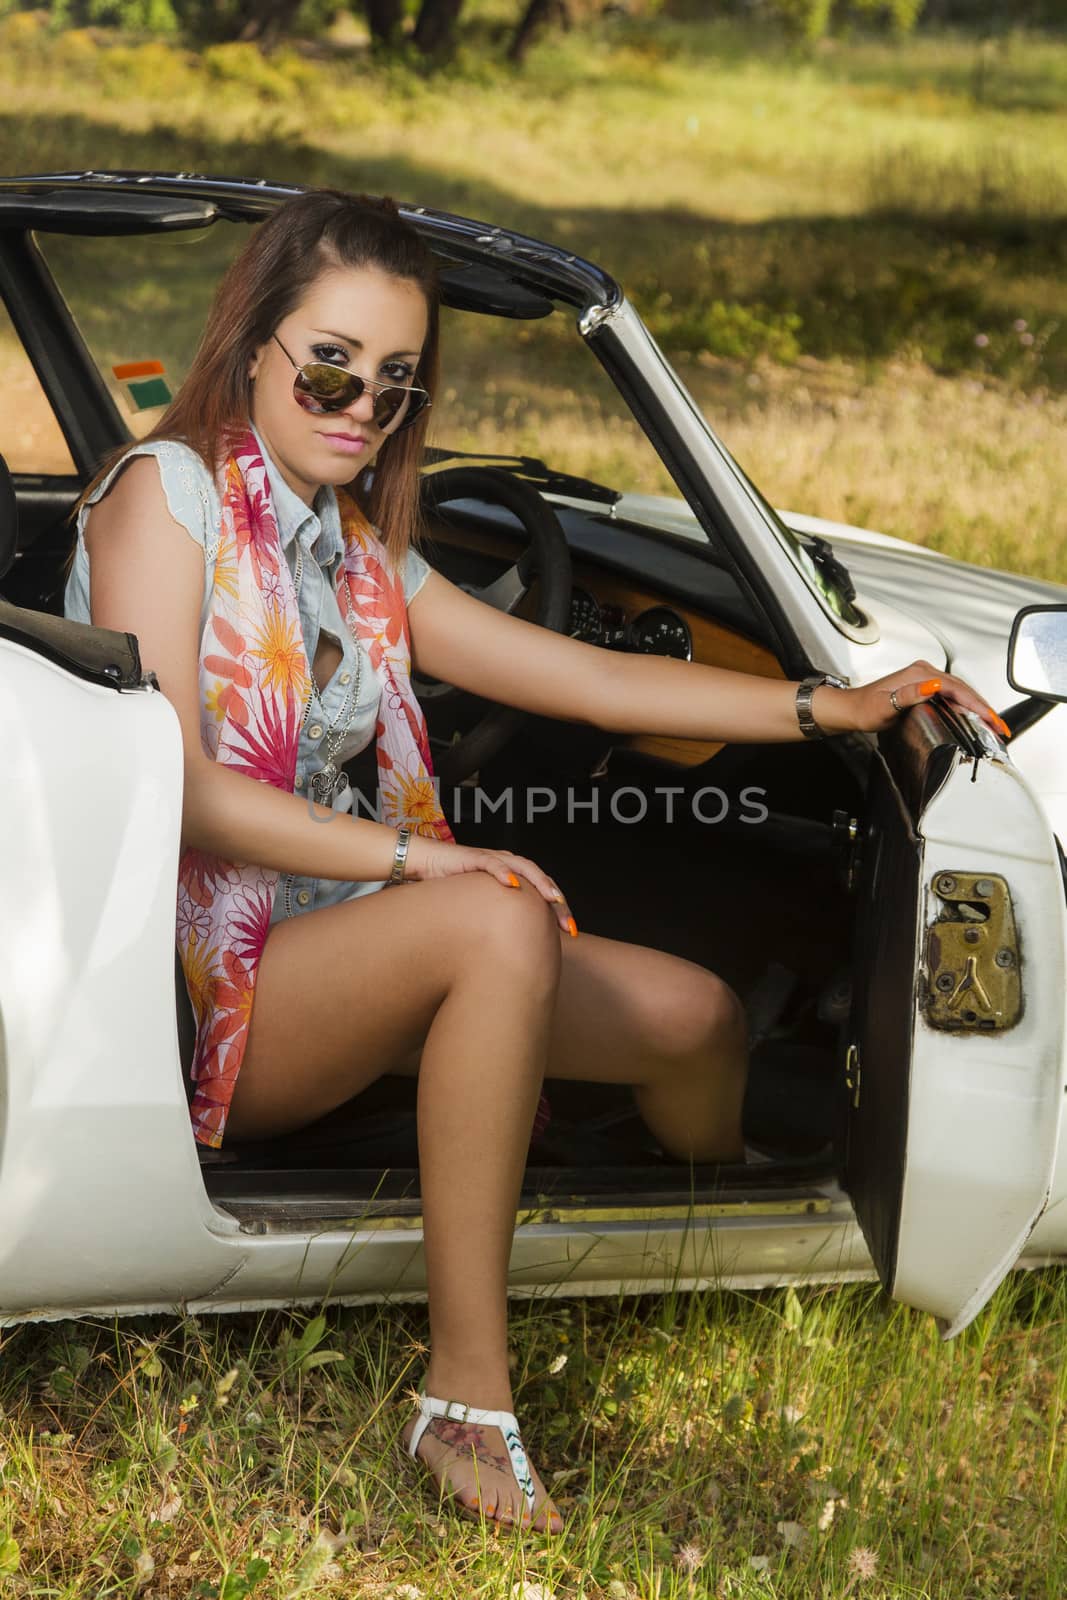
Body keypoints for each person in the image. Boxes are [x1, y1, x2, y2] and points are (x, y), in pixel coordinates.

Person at [64, 186, 1011, 1538]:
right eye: (331, 364)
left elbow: (580, 679)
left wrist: (824, 708)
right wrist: (418, 863)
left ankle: (683, 1259)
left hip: (351, 952)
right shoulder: (168, 497)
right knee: (495, 909)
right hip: (203, 993)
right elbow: (190, 795)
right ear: (254, 343)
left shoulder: (352, 544)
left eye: (394, 384)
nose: (358, 405)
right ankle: (463, 1400)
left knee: (694, 1024)